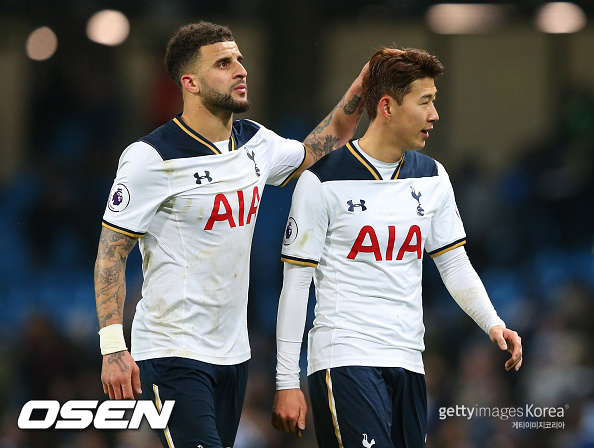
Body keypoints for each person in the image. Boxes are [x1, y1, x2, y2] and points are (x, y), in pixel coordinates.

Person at [94, 21, 367, 448]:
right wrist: (113, 347)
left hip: (234, 353)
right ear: (191, 83)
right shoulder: (150, 158)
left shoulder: (255, 141)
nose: (241, 69)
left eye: (239, 59)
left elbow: (321, 146)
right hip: (173, 350)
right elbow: (111, 253)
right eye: (224, 63)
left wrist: (364, 86)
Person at [271, 47, 523, 447]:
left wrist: (492, 322)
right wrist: (287, 380)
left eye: (434, 102)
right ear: (387, 107)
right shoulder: (322, 181)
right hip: (345, 358)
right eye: (425, 102)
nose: (434, 115)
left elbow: (454, 263)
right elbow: (296, 284)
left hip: (408, 359)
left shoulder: (433, 177)